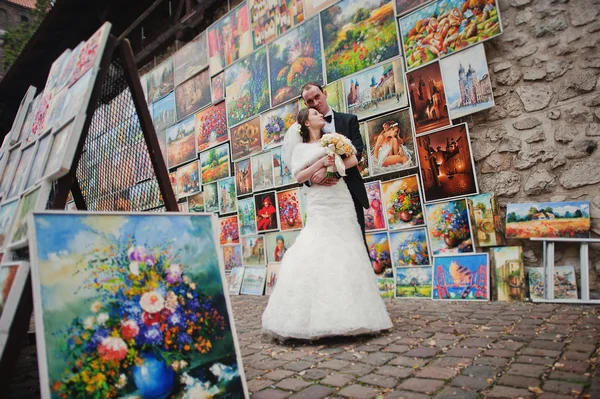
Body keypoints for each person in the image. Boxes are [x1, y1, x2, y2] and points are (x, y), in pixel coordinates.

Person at [261, 108, 393, 340]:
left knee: (348, 247)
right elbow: (299, 176)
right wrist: (320, 165)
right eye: (314, 114)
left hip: (341, 198)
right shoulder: (301, 149)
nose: (320, 115)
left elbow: (352, 158)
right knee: (317, 244)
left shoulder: (333, 140)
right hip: (321, 203)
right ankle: (315, 315)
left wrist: (334, 167)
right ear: (305, 122)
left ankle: (357, 314)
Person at [300, 82, 369, 239]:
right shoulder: (305, 132)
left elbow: (357, 153)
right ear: (305, 104)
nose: (316, 103)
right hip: (324, 198)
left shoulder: (349, 120)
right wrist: (312, 179)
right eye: (310, 101)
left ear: (325, 94)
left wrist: (330, 172)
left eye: (317, 97)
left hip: (350, 192)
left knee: (356, 243)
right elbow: (301, 167)